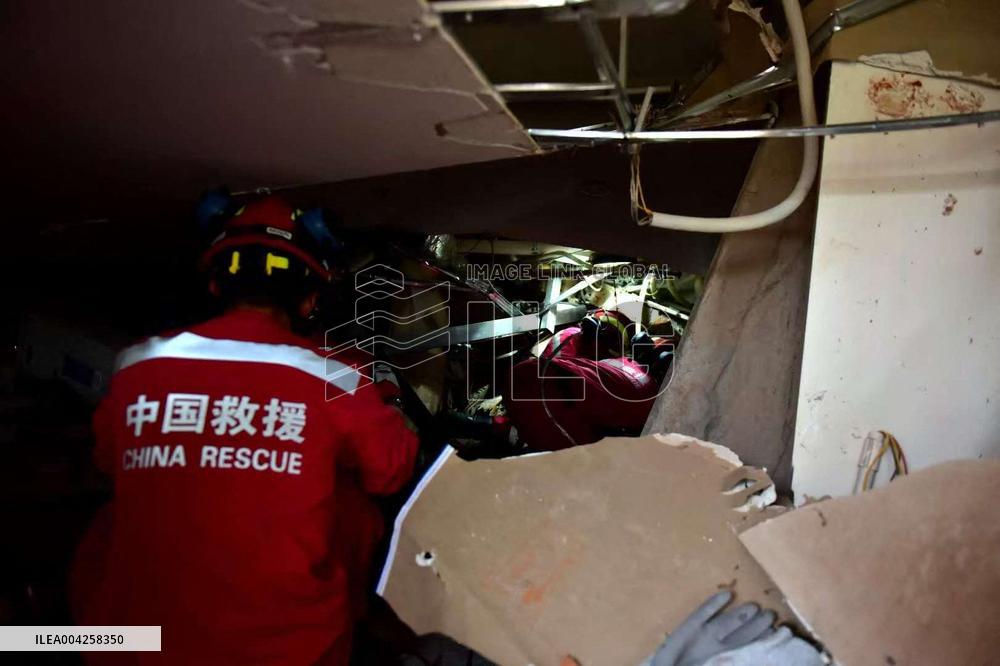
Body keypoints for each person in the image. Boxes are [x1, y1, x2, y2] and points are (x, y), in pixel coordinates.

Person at [70, 193, 419, 665]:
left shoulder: (137, 366)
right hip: (286, 652)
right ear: (310, 296)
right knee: (355, 507)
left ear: (216, 285)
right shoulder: (334, 377)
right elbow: (393, 471)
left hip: (133, 647)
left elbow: (107, 461)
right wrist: (389, 404)